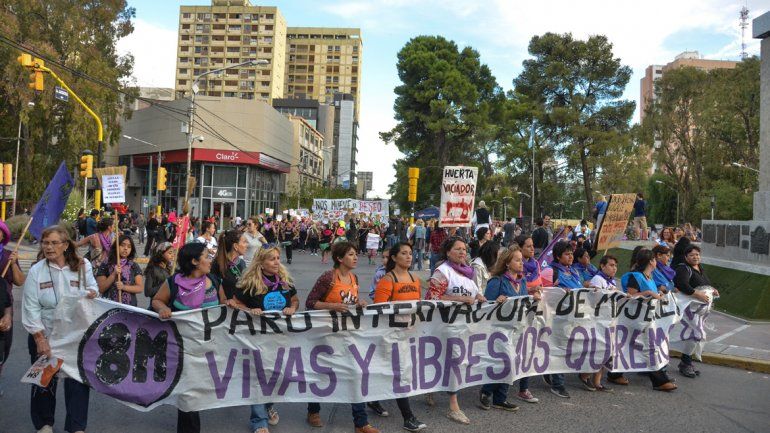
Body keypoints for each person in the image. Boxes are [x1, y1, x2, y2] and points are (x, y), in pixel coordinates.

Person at [22, 226, 98, 433]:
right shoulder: (37, 270)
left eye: (54, 243)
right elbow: (30, 306)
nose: (48, 247)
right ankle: (44, 424)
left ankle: (76, 426)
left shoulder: (83, 266)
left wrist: (92, 292)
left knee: (77, 380)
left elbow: (93, 288)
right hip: (45, 333)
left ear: (65, 245)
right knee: (44, 381)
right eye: (45, 243)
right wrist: (39, 339)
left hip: (75, 335)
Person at [152, 242, 227, 433]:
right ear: (194, 261)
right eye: (206, 256)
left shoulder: (214, 280)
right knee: (189, 394)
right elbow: (157, 300)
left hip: (210, 347)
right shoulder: (173, 283)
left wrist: (232, 305)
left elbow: (224, 304)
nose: (210, 259)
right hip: (183, 348)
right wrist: (163, 308)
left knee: (201, 393)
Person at [305, 241, 378, 433]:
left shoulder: (354, 278)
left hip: (348, 334)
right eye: (351, 254)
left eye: (355, 254)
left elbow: (350, 302)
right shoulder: (328, 277)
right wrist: (332, 306)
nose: (355, 258)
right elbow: (310, 302)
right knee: (322, 373)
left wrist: (359, 303)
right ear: (339, 258)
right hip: (326, 335)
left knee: (356, 373)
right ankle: (313, 411)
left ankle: (361, 423)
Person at [228, 247, 299, 433]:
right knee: (258, 378)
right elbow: (234, 303)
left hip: (280, 339)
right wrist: (250, 310)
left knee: (278, 376)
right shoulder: (250, 283)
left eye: (278, 258)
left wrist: (292, 308)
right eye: (272, 259)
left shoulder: (285, 282)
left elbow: (295, 300)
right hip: (256, 339)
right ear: (261, 262)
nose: (277, 262)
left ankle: (268, 405)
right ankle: (259, 421)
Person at [425, 237, 486, 425]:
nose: (462, 252)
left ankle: (429, 387)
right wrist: (459, 299)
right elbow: (433, 297)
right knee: (454, 362)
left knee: (452, 361)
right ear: (448, 252)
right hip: (446, 326)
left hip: (465, 327)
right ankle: (453, 407)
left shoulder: (468, 272)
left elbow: (475, 293)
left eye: (464, 249)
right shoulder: (442, 272)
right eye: (457, 249)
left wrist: (481, 298)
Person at [371, 243, 428, 431]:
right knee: (400, 374)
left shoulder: (415, 278)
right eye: (404, 253)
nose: (409, 256)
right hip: (392, 334)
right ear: (394, 258)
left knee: (394, 372)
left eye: (411, 253)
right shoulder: (388, 279)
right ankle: (408, 418)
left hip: (409, 334)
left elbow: (418, 305)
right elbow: (378, 309)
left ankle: (372, 398)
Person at [484, 245, 539, 405]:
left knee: (512, 362)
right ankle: (487, 390)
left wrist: (533, 298)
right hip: (498, 330)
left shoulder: (521, 282)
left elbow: (523, 303)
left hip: (517, 329)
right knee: (504, 362)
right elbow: (486, 307)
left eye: (522, 260)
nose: (521, 263)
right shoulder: (497, 281)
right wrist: (496, 301)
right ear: (507, 263)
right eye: (517, 260)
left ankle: (499, 398)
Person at [619, 248, 677, 391]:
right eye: (654, 260)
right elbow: (630, 296)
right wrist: (648, 293)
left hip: (648, 319)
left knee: (629, 347)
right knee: (649, 347)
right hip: (635, 319)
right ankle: (659, 380)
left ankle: (615, 374)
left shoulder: (649, 277)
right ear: (651, 261)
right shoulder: (636, 276)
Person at [674, 244, 719, 379]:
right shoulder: (683, 268)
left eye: (697, 254)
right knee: (696, 335)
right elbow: (682, 284)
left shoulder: (699, 268)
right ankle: (685, 363)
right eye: (692, 255)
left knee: (694, 335)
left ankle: (686, 362)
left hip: (698, 312)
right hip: (688, 310)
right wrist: (697, 294)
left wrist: (712, 289)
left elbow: (704, 283)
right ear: (686, 257)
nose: (695, 257)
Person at [542, 241, 581, 398]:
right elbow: (543, 293)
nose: (571, 256)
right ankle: (558, 384)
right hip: (556, 318)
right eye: (566, 253)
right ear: (558, 256)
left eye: (571, 253)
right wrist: (556, 290)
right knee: (560, 349)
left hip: (572, 318)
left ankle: (549, 371)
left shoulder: (574, 271)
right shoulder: (550, 271)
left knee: (566, 349)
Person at [95, 235, 144, 306]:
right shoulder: (106, 264)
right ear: (116, 247)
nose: (126, 248)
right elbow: (101, 288)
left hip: (129, 307)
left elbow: (140, 288)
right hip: (109, 306)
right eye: (122, 245)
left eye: (129, 247)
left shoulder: (133, 265)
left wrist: (124, 287)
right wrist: (113, 274)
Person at [210, 230, 248, 300]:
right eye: (244, 242)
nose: (247, 245)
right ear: (235, 246)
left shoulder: (242, 262)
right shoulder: (217, 264)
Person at [144, 241, 174, 308]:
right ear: (161, 254)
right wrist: (165, 284)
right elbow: (148, 292)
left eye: (173, 253)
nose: (172, 255)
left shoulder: (170, 268)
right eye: (170, 253)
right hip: (156, 307)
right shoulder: (153, 270)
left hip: (169, 307)